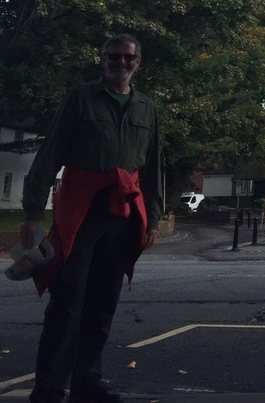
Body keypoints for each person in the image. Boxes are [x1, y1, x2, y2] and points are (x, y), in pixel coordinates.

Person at [20, 34, 161, 403]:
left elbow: (152, 169)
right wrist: (33, 211)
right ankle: (49, 387)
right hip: (82, 207)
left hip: (124, 212)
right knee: (67, 298)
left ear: (138, 63)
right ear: (103, 60)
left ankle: (87, 381)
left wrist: (155, 220)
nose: (120, 62)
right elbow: (50, 153)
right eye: (113, 56)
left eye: (127, 57)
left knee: (104, 300)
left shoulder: (147, 108)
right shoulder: (80, 98)